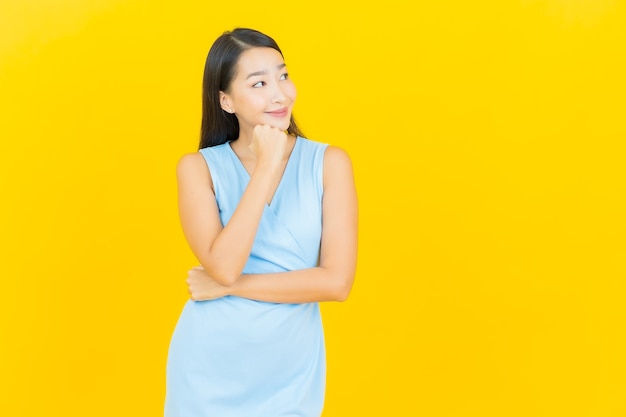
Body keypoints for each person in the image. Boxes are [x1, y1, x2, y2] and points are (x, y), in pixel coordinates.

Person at [164, 28, 358, 417]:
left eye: (283, 76)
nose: (279, 93)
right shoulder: (198, 169)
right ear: (226, 100)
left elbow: (336, 283)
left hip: (290, 371)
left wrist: (229, 288)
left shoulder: (329, 163)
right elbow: (224, 265)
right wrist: (266, 167)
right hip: (208, 367)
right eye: (259, 83)